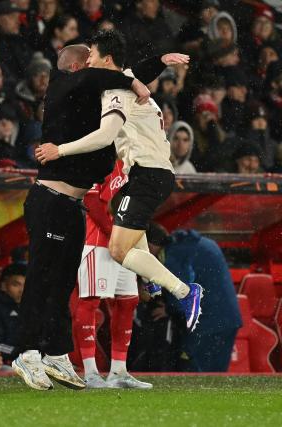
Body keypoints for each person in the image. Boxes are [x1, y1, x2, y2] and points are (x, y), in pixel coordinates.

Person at [11, 36, 160, 391]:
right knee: (41, 277)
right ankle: (26, 352)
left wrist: (158, 64)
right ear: (78, 66)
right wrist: (133, 82)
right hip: (50, 199)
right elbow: (101, 77)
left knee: (63, 282)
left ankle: (56, 353)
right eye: (90, 60)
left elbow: (114, 73)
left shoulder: (87, 89)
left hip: (71, 205)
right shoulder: (64, 83)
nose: (95, 65)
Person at [35, 31, 203, 346]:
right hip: (145, 174)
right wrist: (163, 60)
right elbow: (139, 72)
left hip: (146, 174)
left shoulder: (116, 89)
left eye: (93, 56)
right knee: (121, 217)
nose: (88, 62)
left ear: (106, 59)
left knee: (118, 249)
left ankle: (184, 291)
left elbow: (105, 134)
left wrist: (60, 149)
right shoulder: (123, 81)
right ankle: (151, 278)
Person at [74, 160, 152, 389]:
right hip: (97, 242)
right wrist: (115, 234)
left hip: (123, 242)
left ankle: (118, 371)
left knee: (128, 302)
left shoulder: (134, 162)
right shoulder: (101, 155)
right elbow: (91, 201)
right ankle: (89, 372)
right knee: (90, 302)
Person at [146, 224, 242, 372]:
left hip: (208, 324)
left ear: (150, 245)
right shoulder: (194, 243)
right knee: (216, 376)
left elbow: (182, 293)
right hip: (227, 318)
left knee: (196, 373)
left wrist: (170, 309)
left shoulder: (174, 255)